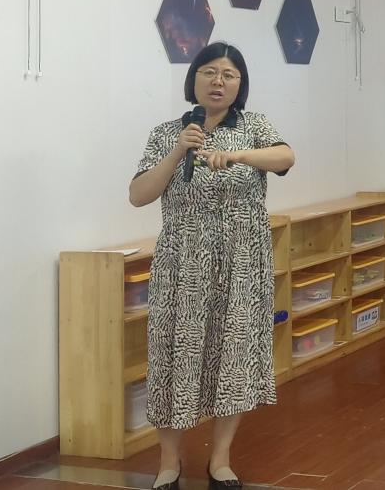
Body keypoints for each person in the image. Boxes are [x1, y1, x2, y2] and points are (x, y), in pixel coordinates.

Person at [130, 42, 296, 490]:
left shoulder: (254, 126)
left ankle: (220, 460)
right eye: (209, 72)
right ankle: (169, 463)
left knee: (233, 357)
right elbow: (139, 195)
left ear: (240, 84)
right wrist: (177, 152)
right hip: (182, 262)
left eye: (229, 75)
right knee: (172, 356)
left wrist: (238, 156)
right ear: (194, 79)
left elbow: (285, 157)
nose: (218, 81)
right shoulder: (168, 133)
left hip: (242, 261)